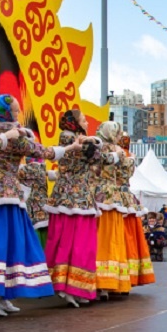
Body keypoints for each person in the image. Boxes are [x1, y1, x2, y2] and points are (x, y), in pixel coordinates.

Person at [0, 95, 77, 315]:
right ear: (6, 113)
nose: (17, 115)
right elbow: (43, 152)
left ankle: (4, 294)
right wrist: (72, 147)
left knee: (9, 242)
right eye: (15, 112)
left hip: (4, 193)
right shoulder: (12, 136)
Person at [44, 109, 103, 307]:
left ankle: (71, 287)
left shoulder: (73, 139)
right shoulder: (72, 139)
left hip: (67, 198)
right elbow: (98, 157)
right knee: (79, 244)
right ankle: (71, 287)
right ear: (74, 122)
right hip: (77, 200)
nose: (87, 123)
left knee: (68, 242)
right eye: (84, 120)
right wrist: (97, 143)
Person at [93, 121, 154, 293]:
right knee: (112, 238)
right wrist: (129, 160)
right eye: (118, 134)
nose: (120, 138)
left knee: (108, 238)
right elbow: (122, 174)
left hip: (101, 197)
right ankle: (110, 281)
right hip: (112, 198)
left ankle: (109, 281)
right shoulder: (112, 150)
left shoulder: (100, 146)